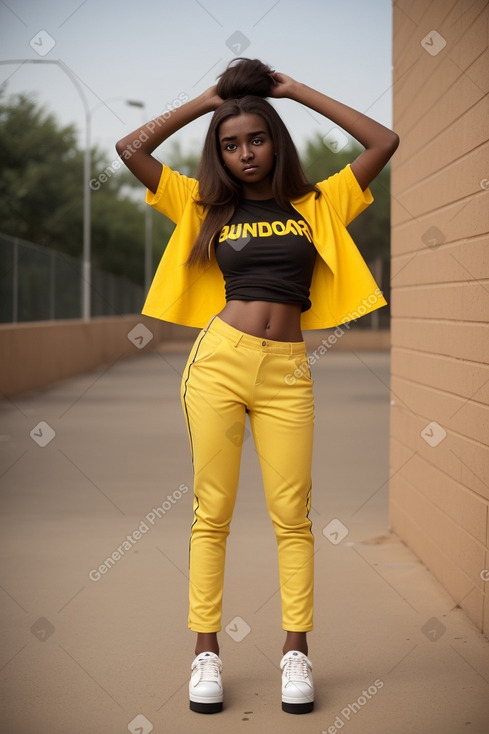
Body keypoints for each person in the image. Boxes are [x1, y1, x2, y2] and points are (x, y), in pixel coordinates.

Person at [116, 57, 399, 716]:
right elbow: (130, 148)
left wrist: (293, 91)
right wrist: (210, 100)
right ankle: (204, 655)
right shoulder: (200, 203)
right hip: (216, 362)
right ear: (219, 152)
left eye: (256, 138)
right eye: (230, 143)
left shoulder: (317, 203)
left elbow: (383, 141)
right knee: (210, 514)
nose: (245, 153)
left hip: (288, 373)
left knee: (292, 519)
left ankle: (294, 653)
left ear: (276, 140)